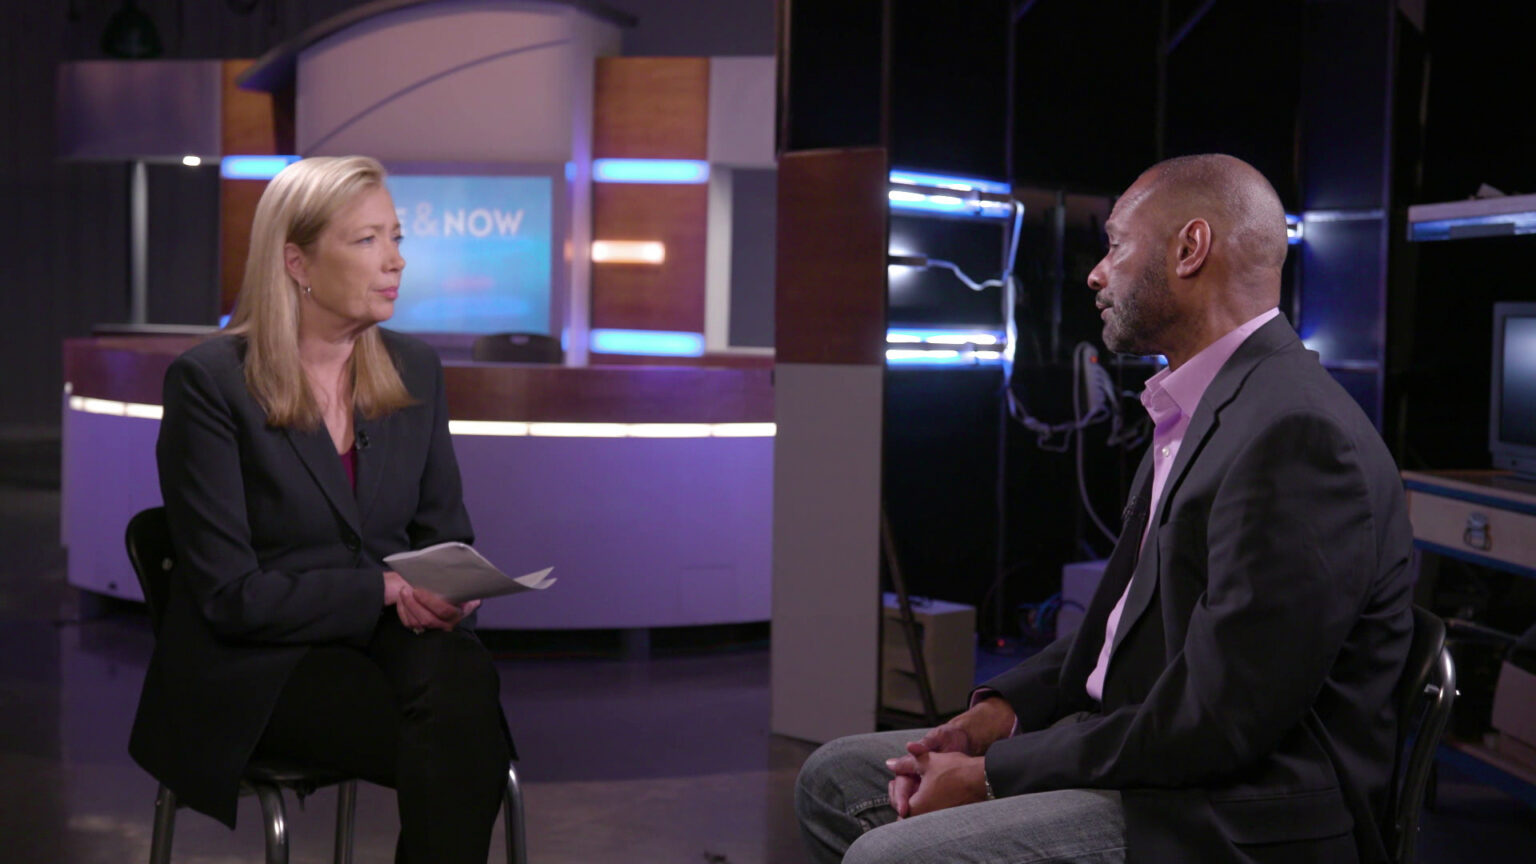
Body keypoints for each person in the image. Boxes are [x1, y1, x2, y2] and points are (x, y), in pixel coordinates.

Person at [795, 154, 1415, 864]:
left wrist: (993, 775)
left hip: (1227, 815)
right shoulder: (1209, 406)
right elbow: (1122, 629)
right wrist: (1003, 713)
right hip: (1159, 760)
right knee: (834, 779)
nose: (1096, 273)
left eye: (1116, 244)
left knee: (891, 857)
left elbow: (1218, 722)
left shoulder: (1296, 436)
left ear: (1189, 249)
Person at [129, 156, 513, 863]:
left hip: (382, 649)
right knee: (460, 735)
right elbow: (229, 597)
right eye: (367, 241)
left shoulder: (414, 370)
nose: (395, 261)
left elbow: (444, 534)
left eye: (396, 238)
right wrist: (382, 588)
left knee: (458, 680)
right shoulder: (212, 384)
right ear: (296, 261)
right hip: (254, 667)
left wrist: (448, 590)